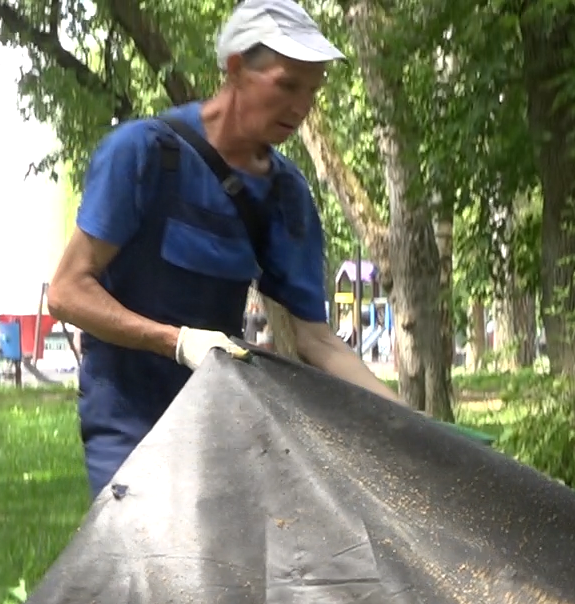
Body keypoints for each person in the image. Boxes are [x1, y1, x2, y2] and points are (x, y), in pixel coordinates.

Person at [46, 0, 405, 498]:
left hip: (220, 420)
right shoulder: (143, 153)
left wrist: (405, 423)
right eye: (287, 84)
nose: (301, 107)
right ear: (236, 69)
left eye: (312, 91)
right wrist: (176, 341)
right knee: (146, 567)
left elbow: (317, 341)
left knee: (227, 571)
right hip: (127, 422)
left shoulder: (285, 196)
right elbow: (67, 292)